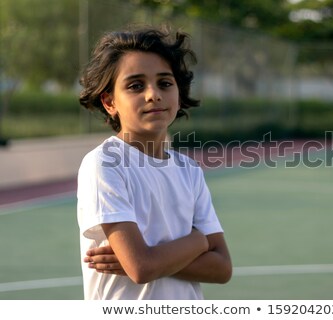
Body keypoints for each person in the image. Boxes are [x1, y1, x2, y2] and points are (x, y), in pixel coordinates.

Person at [77, 26, 232, 300]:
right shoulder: (105, 164)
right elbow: (141, 267)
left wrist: (157, 260)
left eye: (165, 83)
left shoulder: (189, 170)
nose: (153, 94)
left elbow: (221, 267)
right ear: (110, 101)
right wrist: (198, 241)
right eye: (136, 85)